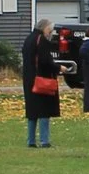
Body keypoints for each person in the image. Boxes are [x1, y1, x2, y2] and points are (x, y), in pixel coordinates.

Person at [21, 17, 64, 148]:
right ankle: (44, 140)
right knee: (44, 109)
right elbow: (45, 61)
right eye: (50, 30)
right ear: (45, 28)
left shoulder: (29, 39)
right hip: (41, 79)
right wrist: (59, 68)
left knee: (32, 111)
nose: (50, 33)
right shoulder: (42, 41)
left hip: (29, 78)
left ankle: (31, 140)